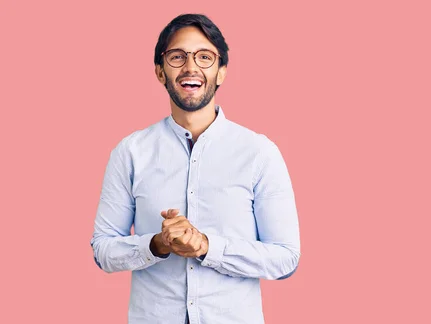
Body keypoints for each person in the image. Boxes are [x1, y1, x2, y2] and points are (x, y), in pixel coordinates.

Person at [90, 13, 301, 324]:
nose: (191, 67)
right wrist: (156, 245)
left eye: (205, 57)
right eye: (177, 56)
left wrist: (207, 247)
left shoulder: (259, 153)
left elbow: (285, 258)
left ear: (221, 72)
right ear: (160, 72)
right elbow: (103, 249)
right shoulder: (130, 152)